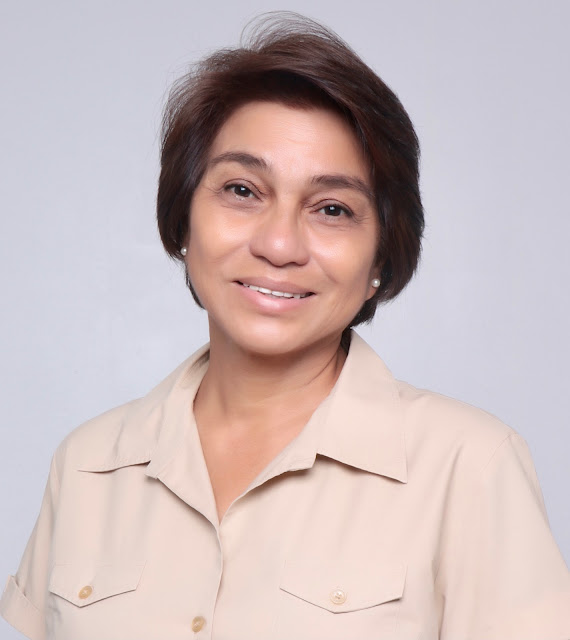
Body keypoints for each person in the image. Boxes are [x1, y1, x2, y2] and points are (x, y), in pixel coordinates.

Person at [1, 12, 568, 640]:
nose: (279, 245)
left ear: (382, 257)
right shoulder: (87, 465)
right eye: (243, 190)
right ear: (183, 218)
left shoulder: (470, 467)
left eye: (332, 209)